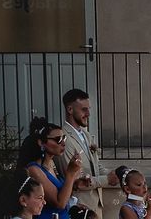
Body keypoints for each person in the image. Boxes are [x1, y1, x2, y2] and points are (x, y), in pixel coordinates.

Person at [55, 89, 119, 219]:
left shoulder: (86, 134)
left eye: (89, 109)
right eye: (84, 109)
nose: (88, 114)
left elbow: (96, 167)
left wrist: (116, 174)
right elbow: (75, 180)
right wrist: (107, 180)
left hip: (96, 205)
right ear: (70, 109)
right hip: (79, 207)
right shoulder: (64, 138)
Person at [17, 117, 83, 219]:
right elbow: (59, 203)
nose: (63, 143)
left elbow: (63, 192)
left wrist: (75, 183)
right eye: (58, 139)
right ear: (41, 142)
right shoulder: (34, 170)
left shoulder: (52, 164)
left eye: (64, 138)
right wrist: (70, 173)